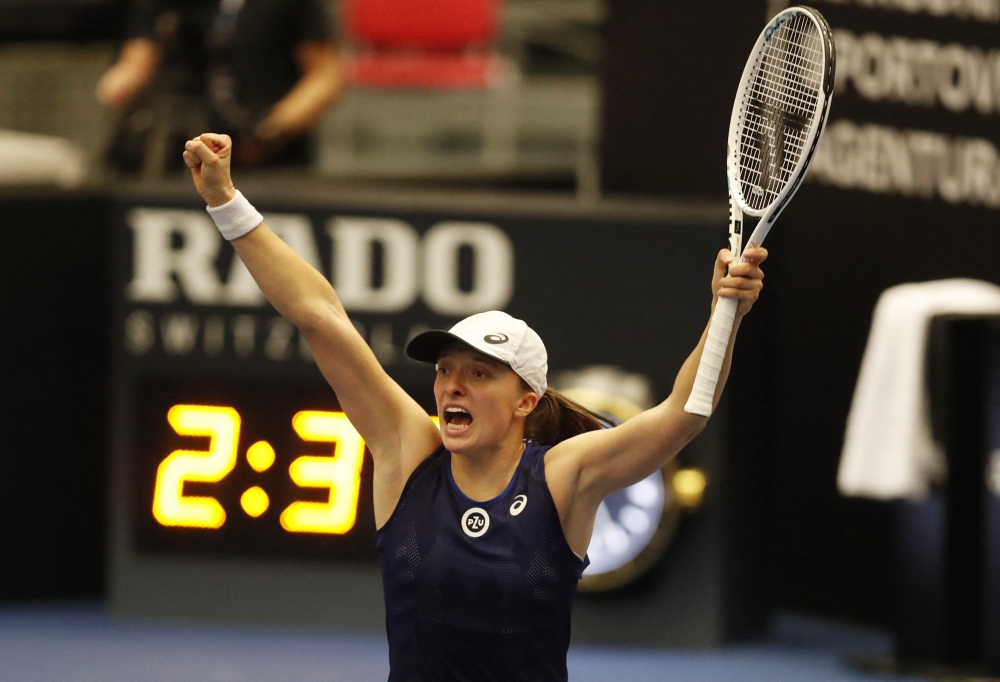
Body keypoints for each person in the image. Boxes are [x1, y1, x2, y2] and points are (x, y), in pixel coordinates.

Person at [183, 132, 767, 681]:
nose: (451, 387)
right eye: (444, 372)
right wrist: (225, 201)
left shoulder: (564, 477)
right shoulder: (409, 454)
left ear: (526, 402)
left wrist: (725, 314)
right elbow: (320, 317)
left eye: (479, 375)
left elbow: (684, 414)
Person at [97, 0, 343, 174]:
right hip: (180, 150)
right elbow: (140, 54)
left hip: (267, 160)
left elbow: (325, 75)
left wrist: (271, 129)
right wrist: (125, 79)